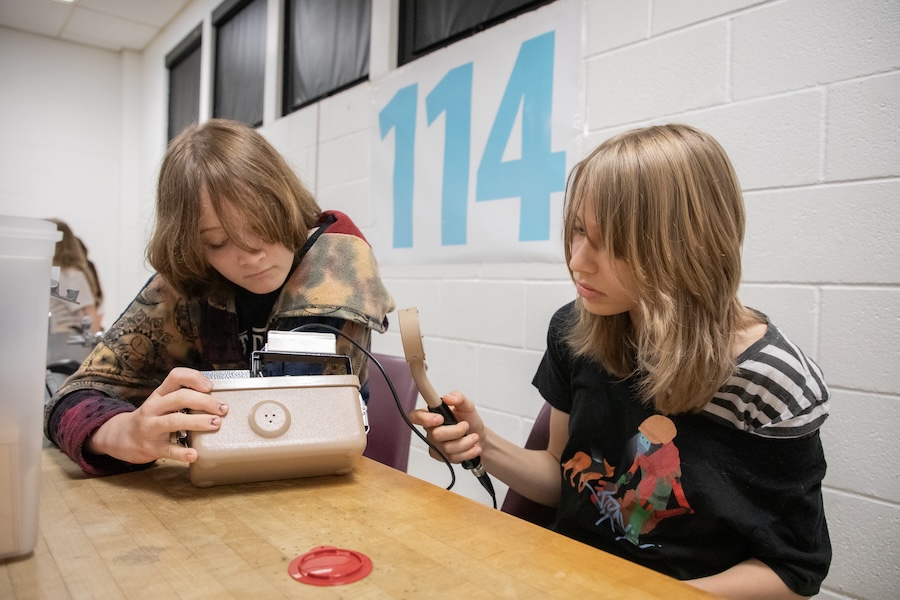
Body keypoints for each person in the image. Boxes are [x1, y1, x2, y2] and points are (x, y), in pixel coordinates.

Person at [409, 124, 830, 599]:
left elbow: (794, 570)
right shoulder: (578, 329)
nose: (578, 261)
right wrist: (481, 443)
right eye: (578, 232)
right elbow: (564, 479)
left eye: (611, 242)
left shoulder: (773, 381)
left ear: (685, 244)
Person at [45, 119, 395, 477]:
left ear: (285, 203)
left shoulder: (337, 268)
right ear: (190, 246)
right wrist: (120, 433)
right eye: (217, 242)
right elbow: (70, 399)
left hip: (324, 483)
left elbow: (295, 433)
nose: (250, 255)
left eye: (260, 225)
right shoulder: (188, 281)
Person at [48, 219, 103, 335]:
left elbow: (89, 312)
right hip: (53, 334)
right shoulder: (51, 272)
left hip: (66, 335)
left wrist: (95, 345)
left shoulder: (71, 274)